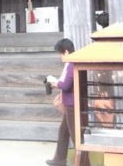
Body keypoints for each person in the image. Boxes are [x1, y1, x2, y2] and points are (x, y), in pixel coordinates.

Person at [45, 38, 86, 166]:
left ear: (66, 52)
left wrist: (55, 83)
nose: (60, 56)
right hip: (73, 103)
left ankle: (85, 164)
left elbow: (67, 85)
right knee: (63, 131)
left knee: (77, 137)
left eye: (61, 53)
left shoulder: (72, 63)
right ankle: (59, 159)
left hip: (72, 104)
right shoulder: (76, 62)